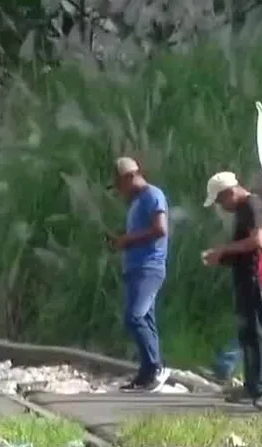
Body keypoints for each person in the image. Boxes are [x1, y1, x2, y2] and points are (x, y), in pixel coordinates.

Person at [201, 171, 262, 407]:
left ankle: (258, 388)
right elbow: (244, 249)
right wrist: (221, 257)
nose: (223, 207)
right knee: (247, 333)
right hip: (246, 276)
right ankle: (250, 385)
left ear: (230, 192)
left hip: (256, 277)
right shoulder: (245, 209)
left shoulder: (252, 205)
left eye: (221, 201)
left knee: (256, 332)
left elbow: (256, 241)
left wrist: (224, 250)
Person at [109, 157, 170, 392]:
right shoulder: (137, 202)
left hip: (149, 266)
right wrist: (122, 241)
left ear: (129, 177)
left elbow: (160, 229)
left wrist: (127, 240)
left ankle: (156, 367)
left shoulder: (153, 195)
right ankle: (146, 373)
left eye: (119, 185)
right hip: (136, 267)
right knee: (146, 319)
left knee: (134, 317)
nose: (119, 191)